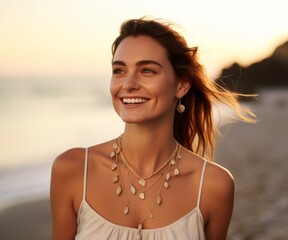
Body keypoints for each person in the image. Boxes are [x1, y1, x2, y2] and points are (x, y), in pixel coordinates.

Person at [50, 17, 255, 240]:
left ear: (181, 84)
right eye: (119, 71)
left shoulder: (214, 185)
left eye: (147, 70)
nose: (128, 84)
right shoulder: (73, 169)